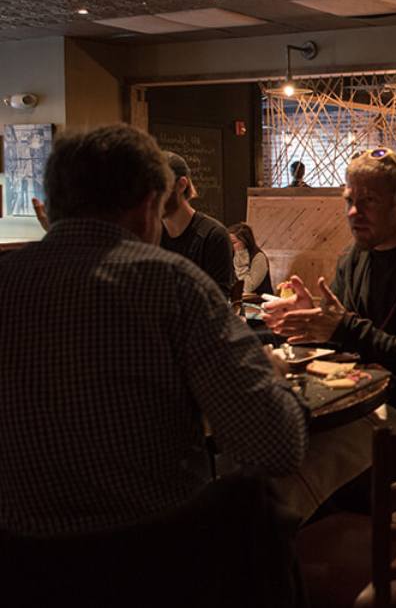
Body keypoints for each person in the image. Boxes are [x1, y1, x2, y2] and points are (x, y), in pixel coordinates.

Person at [0, 124, 308, 538]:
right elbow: (276, 446)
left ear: (52, 205)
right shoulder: (174, 285)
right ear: (149, 207)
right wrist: (273, 378)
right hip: (153, 562)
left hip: (21, 572)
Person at [263, 147, 396, 427]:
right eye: (349, 200)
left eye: (369, 201)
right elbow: (343, 338)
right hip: (353, 403)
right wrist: (312, 321)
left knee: (288, 459)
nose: (353, 212)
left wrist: (344, 328)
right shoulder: (353, 258)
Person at [160, 151, 235, 294]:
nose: (151, 198)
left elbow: (219, 300)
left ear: (181, 185)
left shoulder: (213, 236)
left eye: (159, 188)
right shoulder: (151, 234)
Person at [229, 222, 273, 296]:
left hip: (259, 302)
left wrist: (241, 261)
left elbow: (247, 287)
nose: (230, 245)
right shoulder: (233, 255)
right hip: (239, 300)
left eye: (233, 242)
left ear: (245, 242)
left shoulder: (258, 257)